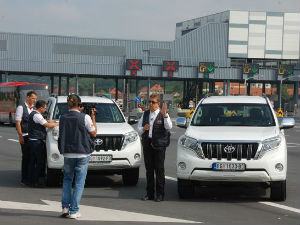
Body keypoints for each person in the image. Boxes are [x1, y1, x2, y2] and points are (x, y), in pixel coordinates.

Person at [58, 94, 97, 219]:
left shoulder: (62, 117)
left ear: (68, 104)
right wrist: (93, 117)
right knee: (79, 183)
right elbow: (94, 133)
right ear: (79, 104)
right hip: (82, 152)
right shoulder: (85, 117)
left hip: (68, 152)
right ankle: (74, 210)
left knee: (67, 180)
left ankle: (65, 207)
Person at [138, 93, 172, 202]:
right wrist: (144, 128)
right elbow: (138, 128)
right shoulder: (145, 114)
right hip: (147, 144)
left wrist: (165, 115)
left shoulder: (163, 114)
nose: (151, 104)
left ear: (158, 103)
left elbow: (169, 127)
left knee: (159, 170)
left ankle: (160, 194)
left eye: (153, 102)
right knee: (149, 170)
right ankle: (149, 193)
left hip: (159, 145)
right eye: (150, 102)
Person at [27, 100, 59, 187]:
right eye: (45, 108)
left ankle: (31, 180)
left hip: (33, 140)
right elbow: (47, 125)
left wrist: (52, 121)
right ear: (40, 108)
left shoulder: (34, 114)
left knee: (33, 161)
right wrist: (59, 123)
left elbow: (46, 122)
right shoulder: (37, 115)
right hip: (36, 141)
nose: (45, 110)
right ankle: (36, 181)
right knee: (39, 162)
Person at [15, 91, 37, 185]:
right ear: (27, 97)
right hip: (24, 135)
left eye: (35, 99)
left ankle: (30, 177)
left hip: (32, 136)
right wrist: (20, 136)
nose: (34, 100)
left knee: (32, 157)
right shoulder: (21, 107)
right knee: (26, 157)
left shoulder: (33, 109)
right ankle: (24, 178)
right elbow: (18, 123)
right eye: (32, 98)